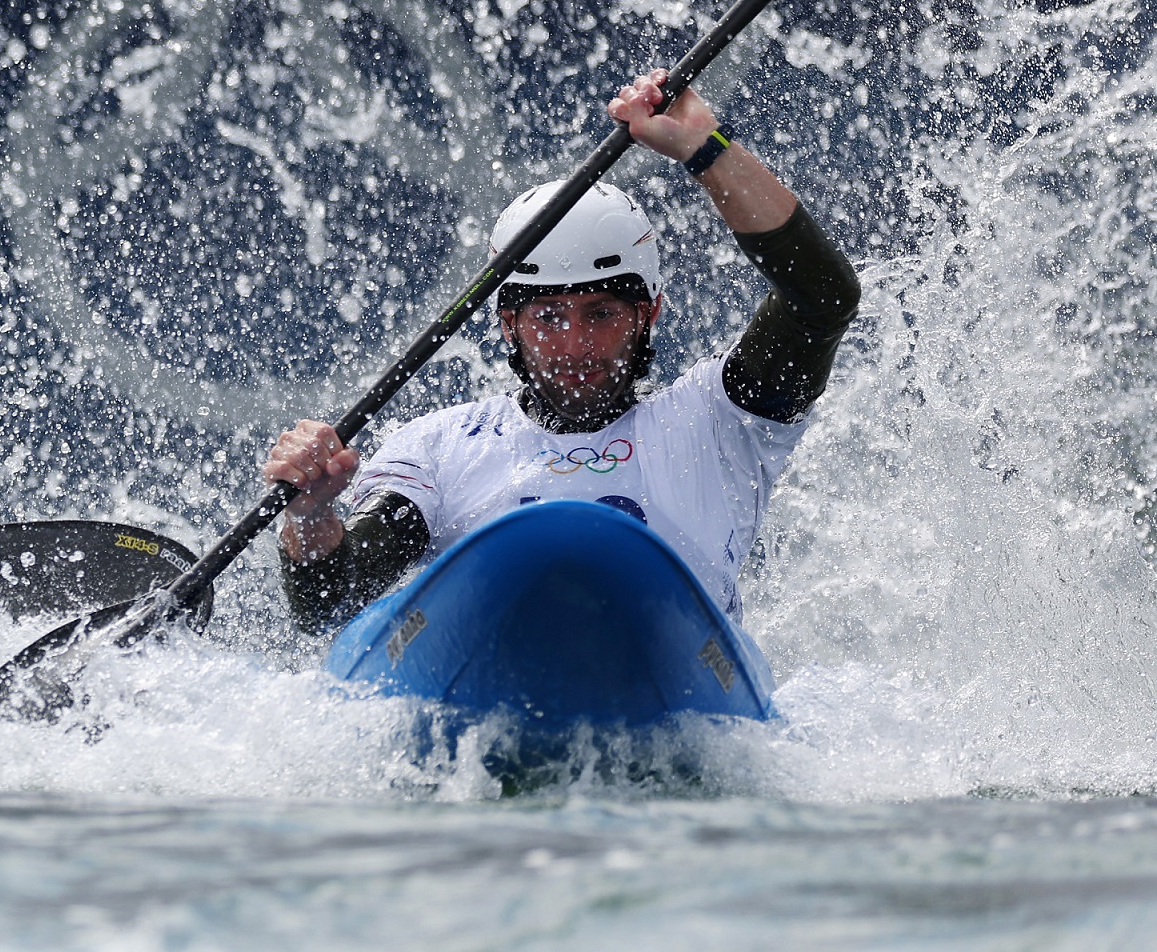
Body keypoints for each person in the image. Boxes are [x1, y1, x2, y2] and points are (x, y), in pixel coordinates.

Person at [268, 69, 861, 632]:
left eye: (600, 313)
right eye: (548, 316)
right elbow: (331, 605)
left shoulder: (717, 424)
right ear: (508, 325)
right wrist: (312, 517)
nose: (575, 344)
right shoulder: (440, 450)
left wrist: (707, 150)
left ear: (648, 313)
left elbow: (822, 301)